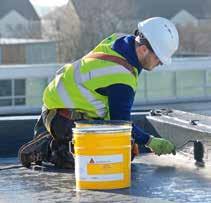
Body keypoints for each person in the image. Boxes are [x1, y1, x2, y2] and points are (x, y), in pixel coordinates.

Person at [19, 17, 179, 169]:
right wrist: (150, 141)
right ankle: (49, 147)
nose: (160, 64)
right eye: (159, 59)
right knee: (95, 162)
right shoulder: (122, 78)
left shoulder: (120, 41)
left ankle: (59, 139)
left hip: (60, 103)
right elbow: (121, 124)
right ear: (144, 49)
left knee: (127, 149)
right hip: (62, 117)